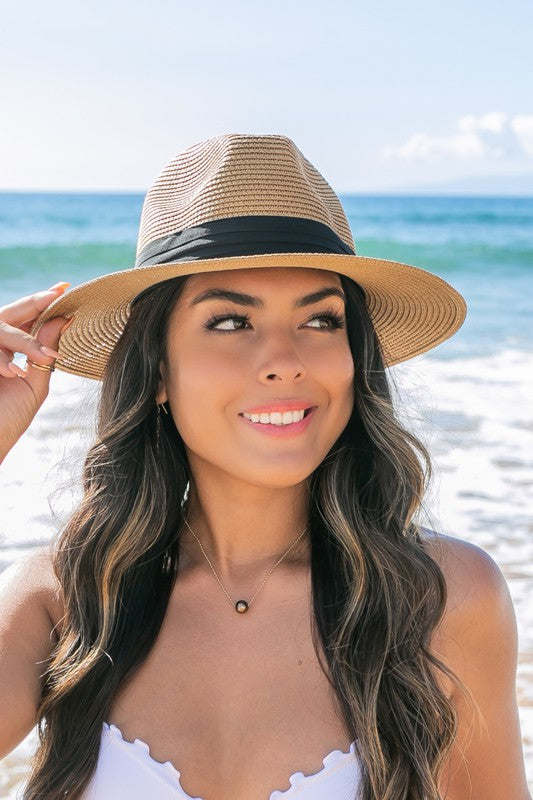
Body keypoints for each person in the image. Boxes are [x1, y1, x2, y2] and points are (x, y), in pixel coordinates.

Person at [0, 133, 529, 800]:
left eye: (320, 320)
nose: (284, 359)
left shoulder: (442, 598)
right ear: (158, 369)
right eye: (229, 323)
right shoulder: (66, 598)